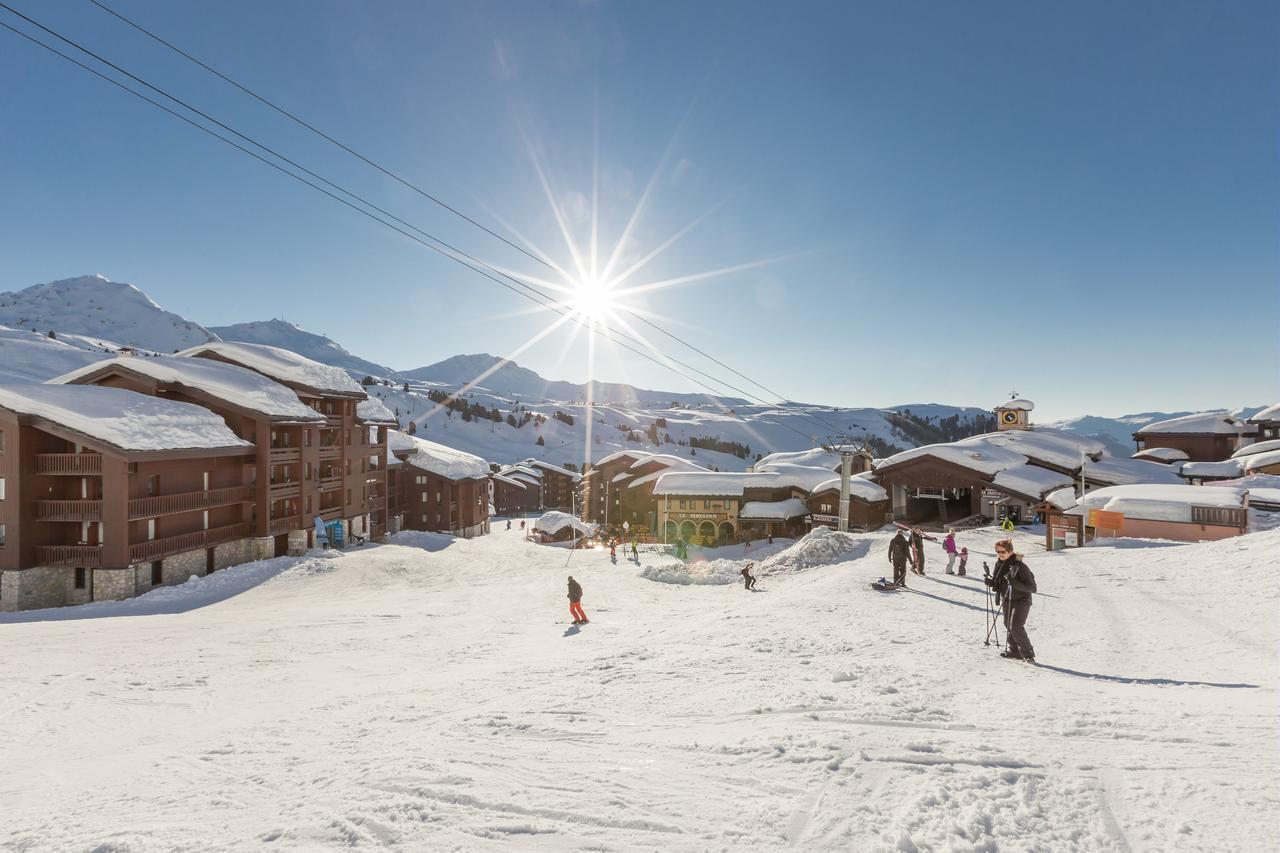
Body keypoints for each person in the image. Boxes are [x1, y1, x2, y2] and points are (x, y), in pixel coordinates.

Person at [986, 539, 1036, 661]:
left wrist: (1015, 583)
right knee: (1007, 624)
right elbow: (998, 582)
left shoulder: (1020, 567)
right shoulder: (999, 564)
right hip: (1007, 598)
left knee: (1016, 626)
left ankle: (1028, 654)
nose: (1000, 554)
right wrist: (991, 582)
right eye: (997, 551)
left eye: (1002, 552)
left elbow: (1032, 588)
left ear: (1010, 551)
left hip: (1022, 600)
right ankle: (1015, 651)